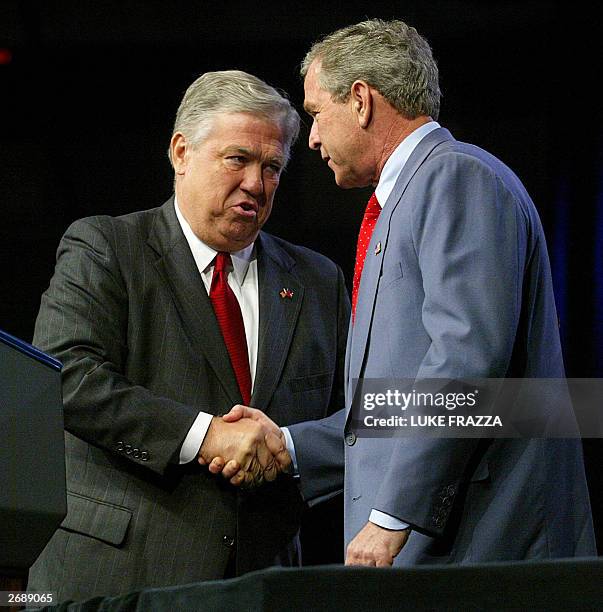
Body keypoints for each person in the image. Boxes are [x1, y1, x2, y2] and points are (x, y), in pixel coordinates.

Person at [217, 19, 597, 566]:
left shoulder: (455, 177)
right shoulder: (406, 198)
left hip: (488, 547)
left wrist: (393, 515)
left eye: (317, 113)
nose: (315, 138)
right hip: (449, 548)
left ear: (362, 101)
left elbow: (466, 360)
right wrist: (290, 446)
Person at [27, 70, 349, 601]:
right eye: (237, 159)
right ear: (181, 152)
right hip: (120, 580)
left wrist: (289, 447)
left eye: (272, 167)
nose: (256, 183)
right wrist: (205, 437)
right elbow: (67, 378)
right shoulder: (107, 248)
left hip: (264, 584)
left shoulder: (316, 280)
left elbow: (351, 417)